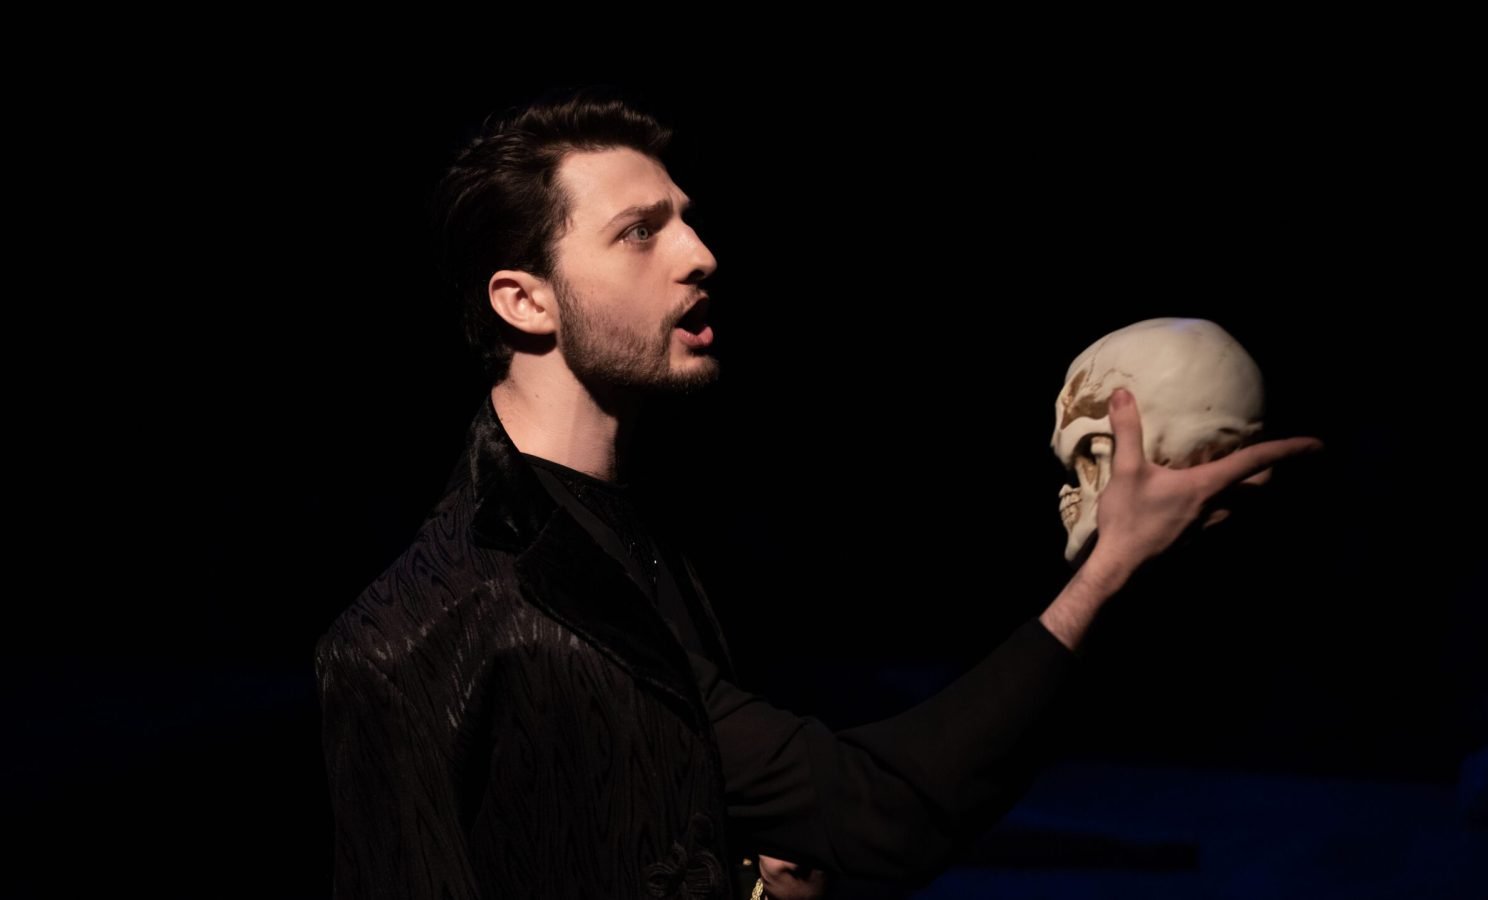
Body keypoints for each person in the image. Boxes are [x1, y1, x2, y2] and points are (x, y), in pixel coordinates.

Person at [312, 85, 1324, 899]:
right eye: (639, 232)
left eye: (688, 223)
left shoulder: (626, 541)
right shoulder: (422, 635)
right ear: (524, 299)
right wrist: (1105, 576)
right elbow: (878, 812)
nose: (700, 255)